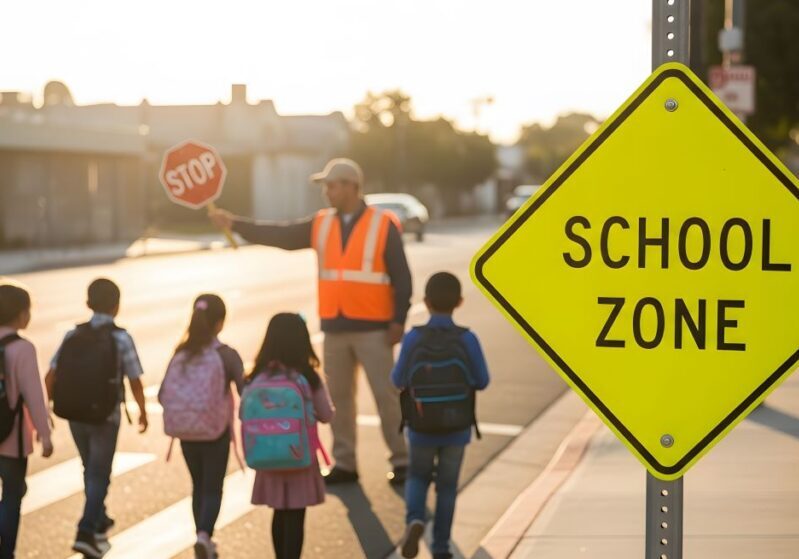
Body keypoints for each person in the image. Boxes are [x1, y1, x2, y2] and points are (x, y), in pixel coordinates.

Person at [209, 158, 411, 485]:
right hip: (335, 326)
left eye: (331, 185)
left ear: (350, 187)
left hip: (374, 327)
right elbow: (282, 234)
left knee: (386, 397)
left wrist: (398, 320)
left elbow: (402, 277)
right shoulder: (321, 224)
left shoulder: (382, 224)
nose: (327, 192)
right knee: (339, 402)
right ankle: (345, 462)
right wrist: (235, 224)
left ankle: (402, 460)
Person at [45, 278, 148, 559]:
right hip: (105, 415)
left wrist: (51, 405)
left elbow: (51, 375)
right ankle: (86, 530)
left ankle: (99, 517)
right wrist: (142, 412)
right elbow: (135, 379)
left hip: (74, 414)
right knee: (99, 473)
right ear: (117, 305)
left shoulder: (71, 334)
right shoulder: (120, 337)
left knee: (89, 467)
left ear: (88, 303)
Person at [391, 272, 490, 559]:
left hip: (420, 426)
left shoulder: (413, 338)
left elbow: (398, 379)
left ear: (426, 301)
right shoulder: (468, 339)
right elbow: (482, 381)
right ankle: (441, 547)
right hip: (457, 428)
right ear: (459, 302)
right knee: (447, 487)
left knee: (417, 476)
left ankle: (415, 521)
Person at [159, 294, 244, 559]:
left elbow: (163, 393)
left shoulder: (181, 352)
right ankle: (204, 535)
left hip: (185, 431)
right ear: (220, 322)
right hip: (214, 431)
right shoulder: (226, 355)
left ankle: (201, 535)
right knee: (212, 487)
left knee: (198, 485)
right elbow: (246, 391)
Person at [245, 313, 335, 559]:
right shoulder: (307, 376)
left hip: (267, 455)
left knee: (279, 512)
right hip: (299, 457)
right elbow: (326, 415)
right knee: (296, 515)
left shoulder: (258, 376)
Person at [0, 283, 53, 559]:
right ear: (21, 315)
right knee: (12, 494)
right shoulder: (22, 348)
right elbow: (34, 395)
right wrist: (45, 434)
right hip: (11, 439)